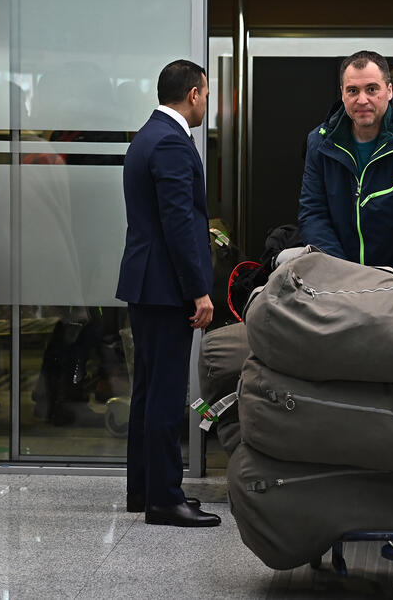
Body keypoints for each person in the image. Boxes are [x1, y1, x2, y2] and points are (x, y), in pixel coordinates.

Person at [116, 59, 220, 527]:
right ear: (194, 93)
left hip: (147, 282)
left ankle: (144, 489)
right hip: (165, 287)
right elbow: (179, 222)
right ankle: (164, 499)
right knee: (165, 393)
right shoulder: (173, 144)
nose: (206, 103)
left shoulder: (147, 136)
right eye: (206, 94)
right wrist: (198, 290)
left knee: (147, 390)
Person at [299, 51, 393, 279]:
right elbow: (313, 212)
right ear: (342, 94)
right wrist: (339, 271)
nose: (362, 100)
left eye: (372, 89)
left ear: (389, 91)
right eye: (353, 91)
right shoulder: (320, 142)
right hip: (339, 278)